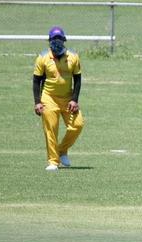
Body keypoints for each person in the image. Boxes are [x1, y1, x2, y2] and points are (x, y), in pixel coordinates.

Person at [33, 26, 85, 171]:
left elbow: (78, 79)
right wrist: (37, 102)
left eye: (59, 39)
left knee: (77, 125)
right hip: (48, 98)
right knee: (51, 129)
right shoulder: (42, 57)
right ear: (49, 41)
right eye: (54, 39)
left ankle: (62, 150)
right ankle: (53, 162)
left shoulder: (73, 57)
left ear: (64, 40)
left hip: (68, 98)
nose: (57, 42)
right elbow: (36, 80)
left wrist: (74, 99)